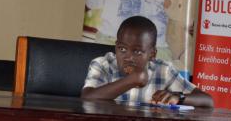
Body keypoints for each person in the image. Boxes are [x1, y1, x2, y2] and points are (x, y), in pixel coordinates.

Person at [81, 16, 213, 107]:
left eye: (137, 51)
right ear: (115, 46)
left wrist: (179, 97)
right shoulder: (102, 64)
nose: (128, 57)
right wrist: (131, 80)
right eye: (122, 48)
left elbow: (207, 101)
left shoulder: (163, 70)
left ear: (152, 54)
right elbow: (87, 97)